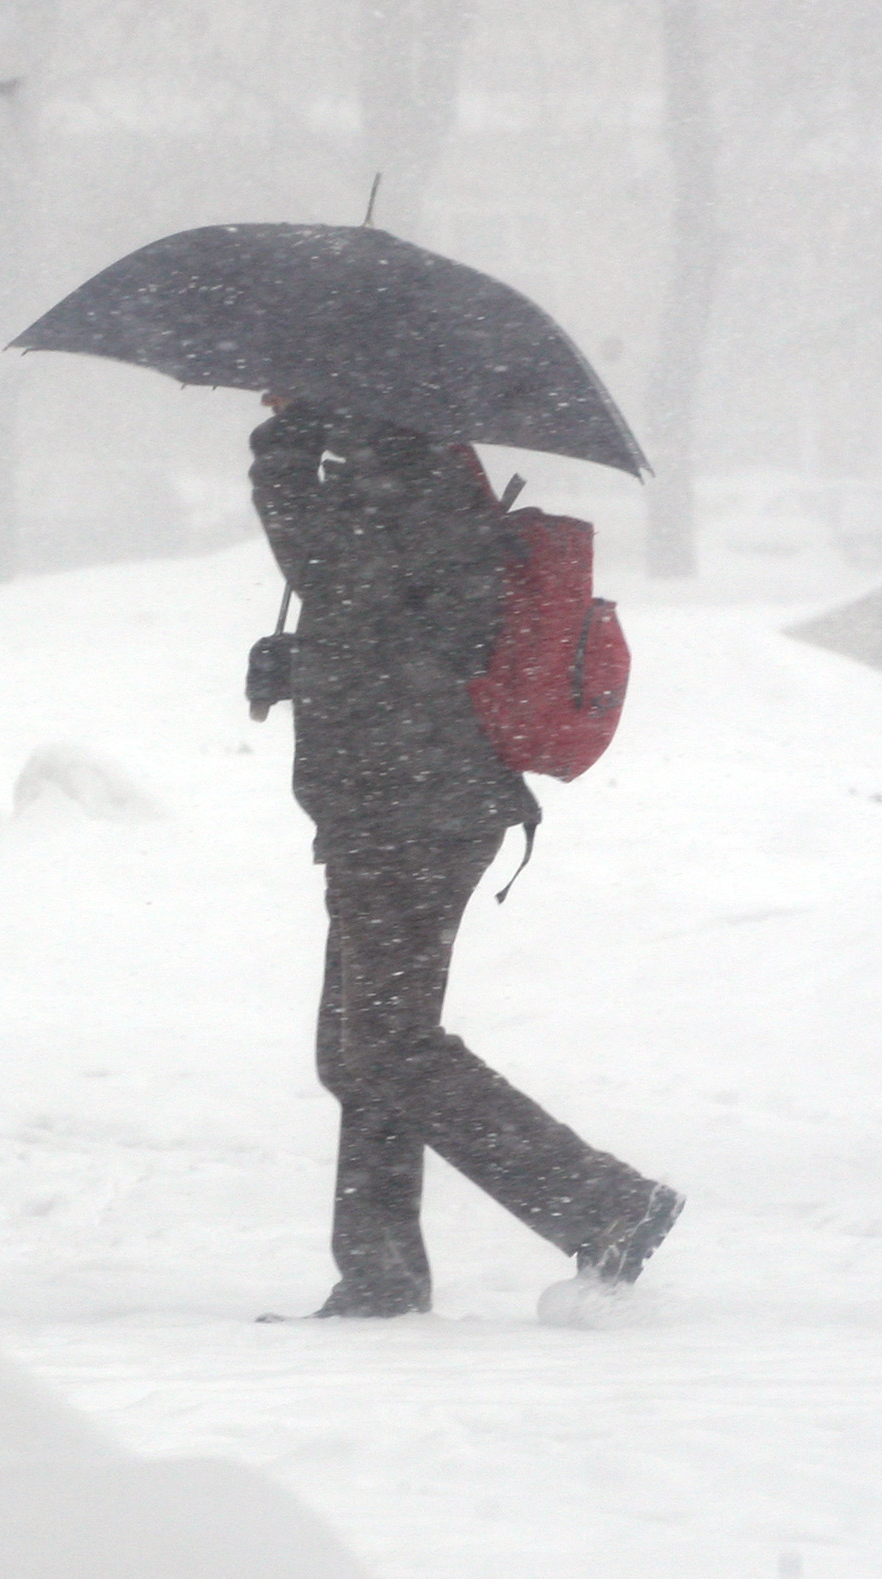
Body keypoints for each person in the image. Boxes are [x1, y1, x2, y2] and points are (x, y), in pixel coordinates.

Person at [248, 396, 679, 1317]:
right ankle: (382, 1276)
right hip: (395, 804)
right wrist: (297, 662)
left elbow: (338, 578)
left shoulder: (406, 481)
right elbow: (383, 628)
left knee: (387, 1044)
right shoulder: (399, 479)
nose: (273, 398)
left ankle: (606, 1203)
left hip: (414, 810)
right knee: (359, 1050)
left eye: (291, 391)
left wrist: (281, 455)